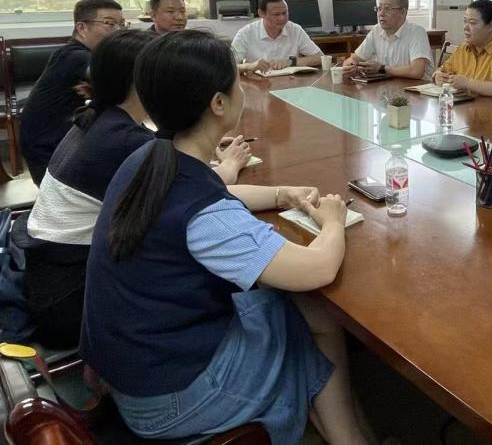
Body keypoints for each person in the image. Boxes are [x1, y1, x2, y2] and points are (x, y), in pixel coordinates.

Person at [81, 30, 373, 444]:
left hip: (131, 363)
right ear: (218, 103)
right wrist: (332, 221)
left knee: (304, 313)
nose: (242, 89)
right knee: (303, 320)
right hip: (169, 396)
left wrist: (280, 193)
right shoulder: (204, 214)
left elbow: (213, 188)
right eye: (237, 81)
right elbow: (317, 268)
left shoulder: (149, 155)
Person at [18, 30, 254, 348]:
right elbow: (193, 188)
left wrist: (203, 137)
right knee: (229, 277)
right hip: (72, 300)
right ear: (141, 82)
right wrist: (229, 166)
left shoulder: (100, 119)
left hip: (52, 278)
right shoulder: (124, 142)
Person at [20, 0, 124, 185]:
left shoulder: (74, 53)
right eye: (109, 24)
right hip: (52, 160)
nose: (118, 31)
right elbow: (115, 80)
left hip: (65, 146)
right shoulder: (75, 57)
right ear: (81, 28)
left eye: (121, 24)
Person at [434, 0, 492, 101]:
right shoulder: (464, 48)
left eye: (472, 23)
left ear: (490, 26)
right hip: (470, 108)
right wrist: (439, 76)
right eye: (465, 21)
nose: (466, 27)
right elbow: (443, 69)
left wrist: (468, 83)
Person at [342, 0, 433, 80]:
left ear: (403, 12)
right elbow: (353, 58)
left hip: (418, 87)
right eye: (379, 8)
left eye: (387, 8)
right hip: (390, 86)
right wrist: (350, 66)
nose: (381, 14)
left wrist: (382, 69)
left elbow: (416, 71)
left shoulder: (416, 32)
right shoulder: (376, 31)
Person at [231, 0, 322, 74]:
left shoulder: (295, 30)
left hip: (289, 83)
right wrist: (250, 66)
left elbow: (320, 58)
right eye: (276, 14)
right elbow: (228, 67)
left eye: (284, 13)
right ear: (261, 13)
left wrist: (291, 62)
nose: (282, 18)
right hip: (258, 83)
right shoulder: (246, 33)